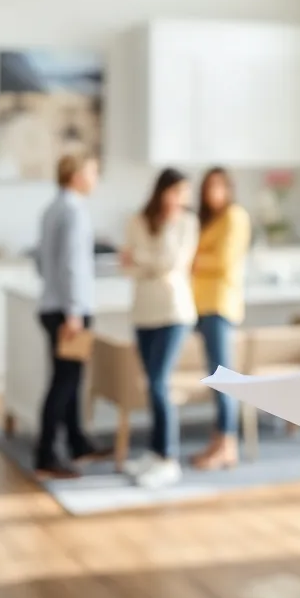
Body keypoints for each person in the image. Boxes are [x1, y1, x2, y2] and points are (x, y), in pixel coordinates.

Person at [121, 168, 199, 489]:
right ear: (162, 191)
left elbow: (173, 262)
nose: (183, 199)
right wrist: (147, 263)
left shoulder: (186, 223)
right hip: (144, 312)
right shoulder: (137, 220)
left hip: (174, 312)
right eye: (177, 191)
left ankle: (169, 458)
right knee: (150, 384)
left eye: (185, 193)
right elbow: (129, 267)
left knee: (158, 382)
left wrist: (145, 256)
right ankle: (154, 452)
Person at [34, 153, 109, 479]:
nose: (96, 177)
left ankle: (78, 443)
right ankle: (46, 454)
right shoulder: (75, 211)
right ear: (77, 175)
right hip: (70, 311)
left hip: (54, 305)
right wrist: (75, 312)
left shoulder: (53, 208)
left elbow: (41, 260)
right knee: (64, 383)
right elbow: (74, 266)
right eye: (93, 171)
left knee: (72, 379)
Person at [190, 167, 252, 471]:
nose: (212, 192)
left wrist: (192, 259)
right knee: (216, 378)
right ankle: (218, 440)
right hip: (202, 306)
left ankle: (228, 444)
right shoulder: (209, 221)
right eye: (207, 186)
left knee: (224, 377)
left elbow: (225, 260)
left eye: (218, 186)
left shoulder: (235, 216)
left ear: (228, 188)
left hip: (220, 305)